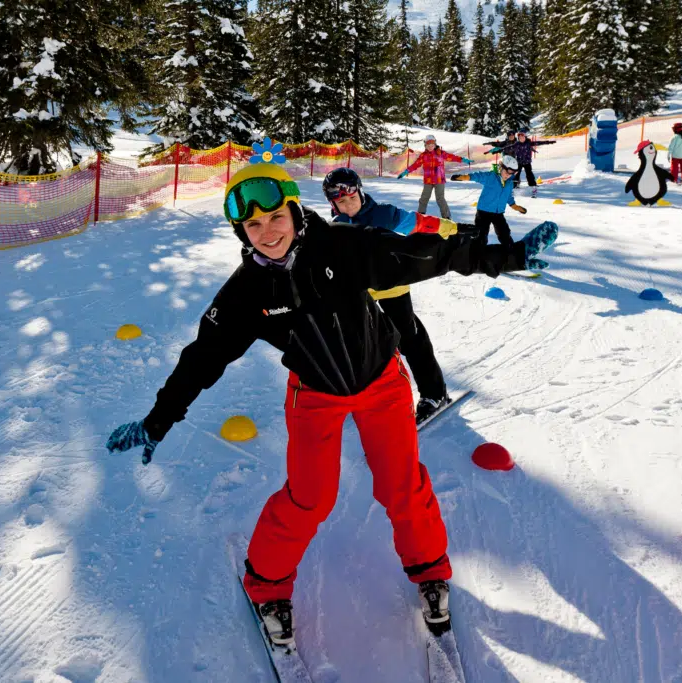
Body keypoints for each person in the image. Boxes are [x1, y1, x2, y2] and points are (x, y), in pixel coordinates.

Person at [106, 160, 558, 648]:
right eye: (252, 224)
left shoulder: (344, 246)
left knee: (401, 485)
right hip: (313, 393)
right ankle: (267, 586)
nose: (267, 232)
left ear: (295, 211)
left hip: (381, 382)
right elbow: (201, 359)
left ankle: (430, 573)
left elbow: (427, 255)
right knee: (309, 496)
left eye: (275, 216)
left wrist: (506, 256)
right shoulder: (245, 293)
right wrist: (157, 421)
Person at [323, 167, 454, 423]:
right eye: (341, 202)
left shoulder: (383, 214)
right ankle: (377, 397)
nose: (349, 206)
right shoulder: (336, 227)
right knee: (369, 347)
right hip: (362, 295)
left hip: (393, 289)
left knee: (411, 339)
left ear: (360, 192)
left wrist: (449, 229)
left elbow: (419, 223)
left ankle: (434, 394)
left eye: (352, 198)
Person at [449, 155, 526, 247]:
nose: (508, 175)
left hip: (498, 213)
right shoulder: (490, 176)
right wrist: (465, 177)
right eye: (507, 172)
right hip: (483, 212)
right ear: (500, 167)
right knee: (481, 234)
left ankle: (510, 252)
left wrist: (514, 206)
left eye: (511, 174)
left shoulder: (509, 183)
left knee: (504, 233)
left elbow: (508, 197)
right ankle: (477, 254)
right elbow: (478, 176)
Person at [397, 133, 473, 219]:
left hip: (439, 180)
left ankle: (447, 217)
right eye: (428, 144)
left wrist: (462, 159)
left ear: (435, 144)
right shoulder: (423, 156)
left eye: (432, 144)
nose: (430, 146)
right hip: (428, 181)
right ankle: (420, 216)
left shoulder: (440, 153)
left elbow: (451, 157)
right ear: (425, 145)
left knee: (440, 199)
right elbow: (415, 165)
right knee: (424, 198)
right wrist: (406, 171)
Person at [485, 127, 556, 198]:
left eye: (522, 137)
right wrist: (496, 151)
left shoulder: (529, 143)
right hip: (519, 162)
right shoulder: (517, 144)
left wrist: (548, 142)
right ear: (518, 138)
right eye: (520, 137)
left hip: (527, 162)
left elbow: (539, 143)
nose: (521, 139)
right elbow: (507, 147)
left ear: (525, 137)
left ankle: (533, 187)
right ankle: (513, 187)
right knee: (516, 174)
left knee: (529, 174)